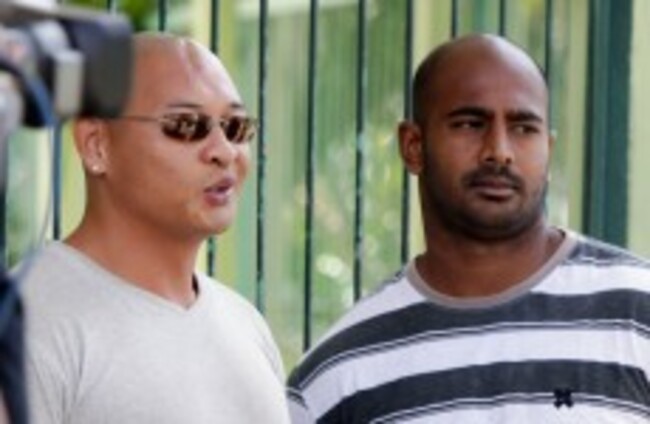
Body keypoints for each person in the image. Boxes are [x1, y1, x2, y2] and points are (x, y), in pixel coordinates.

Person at [287, 33, 650, 423]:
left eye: (524, 128)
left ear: (549, 147)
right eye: (470, 124)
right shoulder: (337, 377)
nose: (500, 151)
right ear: (413, 146)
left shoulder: (637, 312)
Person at [20, 33, 290, 423]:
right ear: (96, 144)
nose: (224, 151)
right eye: (186, 125)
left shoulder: (245, 325)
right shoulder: (31, 322)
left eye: (235, 127)